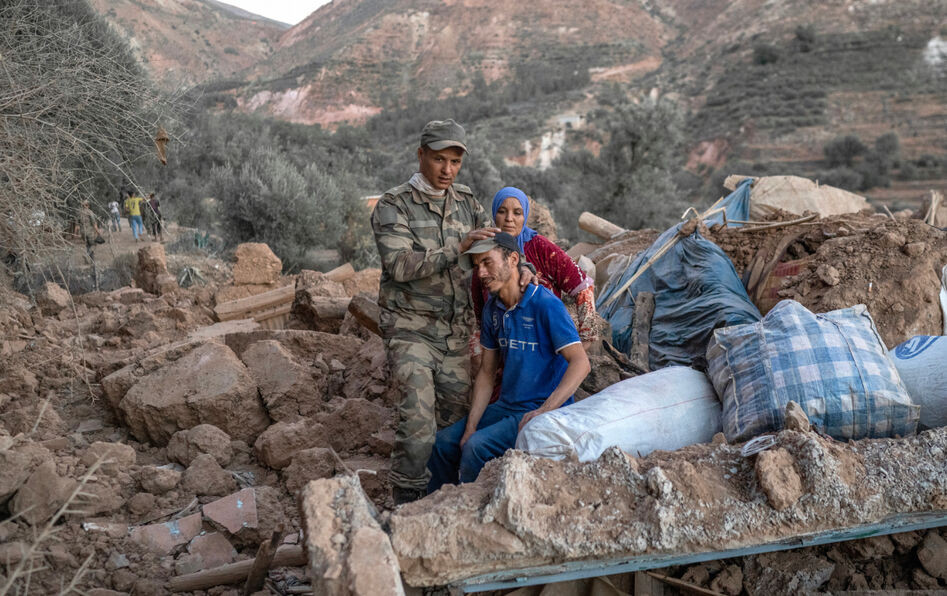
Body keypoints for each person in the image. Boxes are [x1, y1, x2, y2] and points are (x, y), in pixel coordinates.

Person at [372, 119, 533, 505]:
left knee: (454, 424)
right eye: (439, 159)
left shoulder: (465, 202)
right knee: (417, 418)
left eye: (455, 162)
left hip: (455, 332)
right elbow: (399, 265)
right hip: (410, 328)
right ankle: (406, 503)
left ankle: (443, 499)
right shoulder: (394, 205)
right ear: (420, 155)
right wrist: (458, 247)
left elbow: (494, 245)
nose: (448, 170)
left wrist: (521, 266)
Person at [427, 232, 591, 491]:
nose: (481, 273)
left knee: (476, 447)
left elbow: (581, 363)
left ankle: (472, 507)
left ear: (513, 259)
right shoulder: (492, 309)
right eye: (477, 266)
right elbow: (486, 372)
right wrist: (471, 426)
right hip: (506, 406)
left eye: (487, 262)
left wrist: (544, 411)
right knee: (443, 443)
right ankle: (439, 505)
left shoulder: (545, 304)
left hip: (539, 409)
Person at [472, 187, 599, 351]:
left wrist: (585, 340)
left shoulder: (540, 247)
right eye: (502, 212)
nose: (509, 219)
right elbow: (479, 307)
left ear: (525, 216)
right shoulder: (485, 250)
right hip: (504, 349)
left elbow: (583, 286)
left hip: (543, 347)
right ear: (494, 214)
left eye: (517, 213)